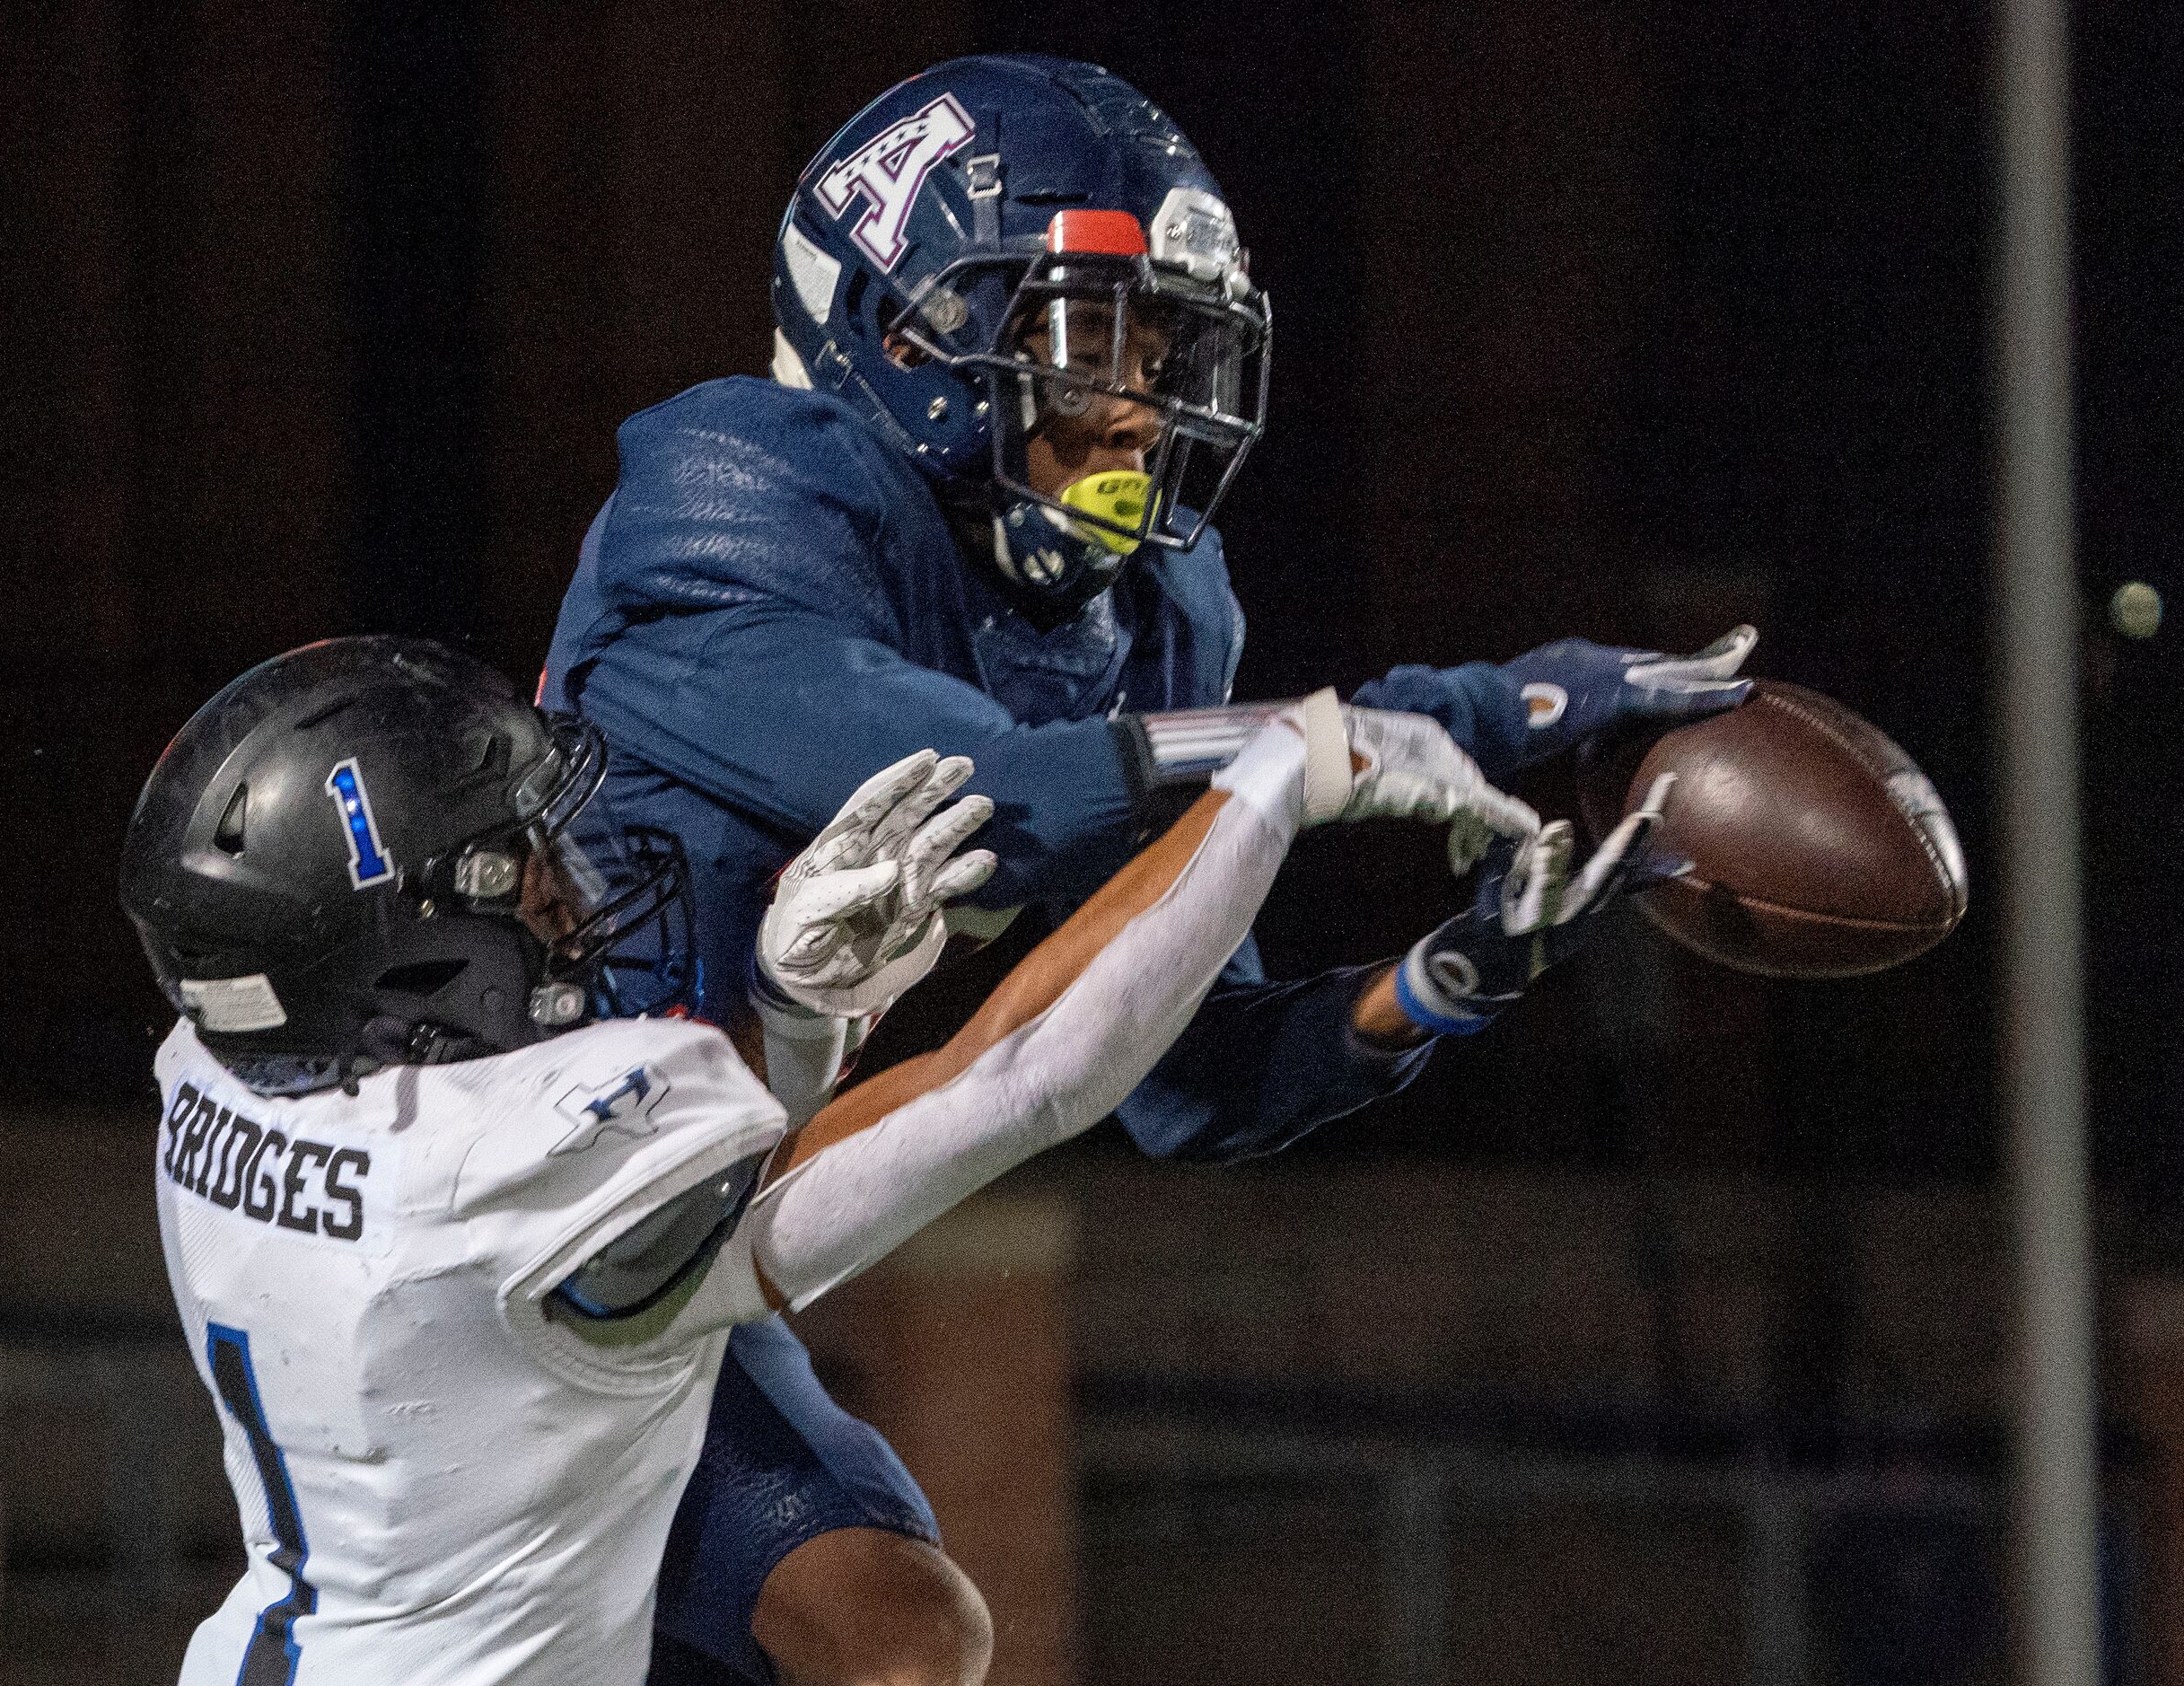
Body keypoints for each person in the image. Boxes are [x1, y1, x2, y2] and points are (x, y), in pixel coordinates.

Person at [539, 53, 1756, 1686]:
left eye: (1168, 344)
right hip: (503, 1202)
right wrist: (1413, 720)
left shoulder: (1157, 610)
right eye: (1086, 334)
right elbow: (992, 794)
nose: (1134, 402)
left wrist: (1441, 983)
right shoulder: (742, 489)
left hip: (696, 1228)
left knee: (880, 1643)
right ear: (907, 334)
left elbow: (1195, 1076)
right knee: (865, 1640)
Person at [121, 634, 1626, 1685]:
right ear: (412, 951)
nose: (565, 896)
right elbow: (1020, 1077)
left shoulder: (215, 1074)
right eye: (517, 867)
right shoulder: (499, 1173)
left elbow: (654, 1248)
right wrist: (1271, 789)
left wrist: (793, 1012)